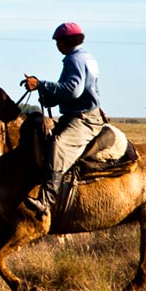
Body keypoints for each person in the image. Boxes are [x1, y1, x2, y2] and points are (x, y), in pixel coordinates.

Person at [20, 22, 104, 219]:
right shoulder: (85, 57)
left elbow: (73, 90)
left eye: (58, 41)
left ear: (66, 42)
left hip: (83, 119)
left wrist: (41, 84)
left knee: (57, 145)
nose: (57, 46)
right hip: (80, 114)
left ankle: (46, 200)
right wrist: (49, 95)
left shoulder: (74, 60)